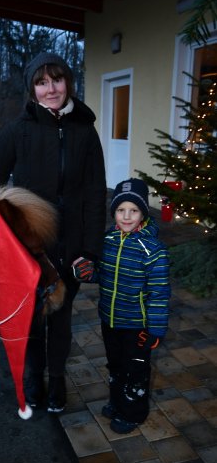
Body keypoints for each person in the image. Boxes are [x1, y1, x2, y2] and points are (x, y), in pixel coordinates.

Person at [0, 51, 107, 413]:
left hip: (71, 243)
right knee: (34, 317)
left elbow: (95, 194)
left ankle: (57, 382)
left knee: (62, 318)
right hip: (30, 245)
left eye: (56, 80)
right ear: (32, 89)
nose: (50, 89)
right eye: (41, 82)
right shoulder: (17, 131)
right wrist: (8, 232)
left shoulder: (85, 131)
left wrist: (91, 249)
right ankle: (34, 379)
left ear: (68, 82)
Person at [75, 178, 171, 433]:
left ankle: (133, 413)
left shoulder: (154, 251)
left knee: (135, 368)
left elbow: (159, 294)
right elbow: (102, 274)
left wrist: (156, 329)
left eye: (134, 210)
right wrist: (86, 273)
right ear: (113, 212)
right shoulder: (107, 240)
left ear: (143, 213)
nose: (126, 217)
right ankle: (117, 401)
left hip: (137, 325)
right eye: (121, 210)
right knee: (115, 364)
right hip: (110, 319)